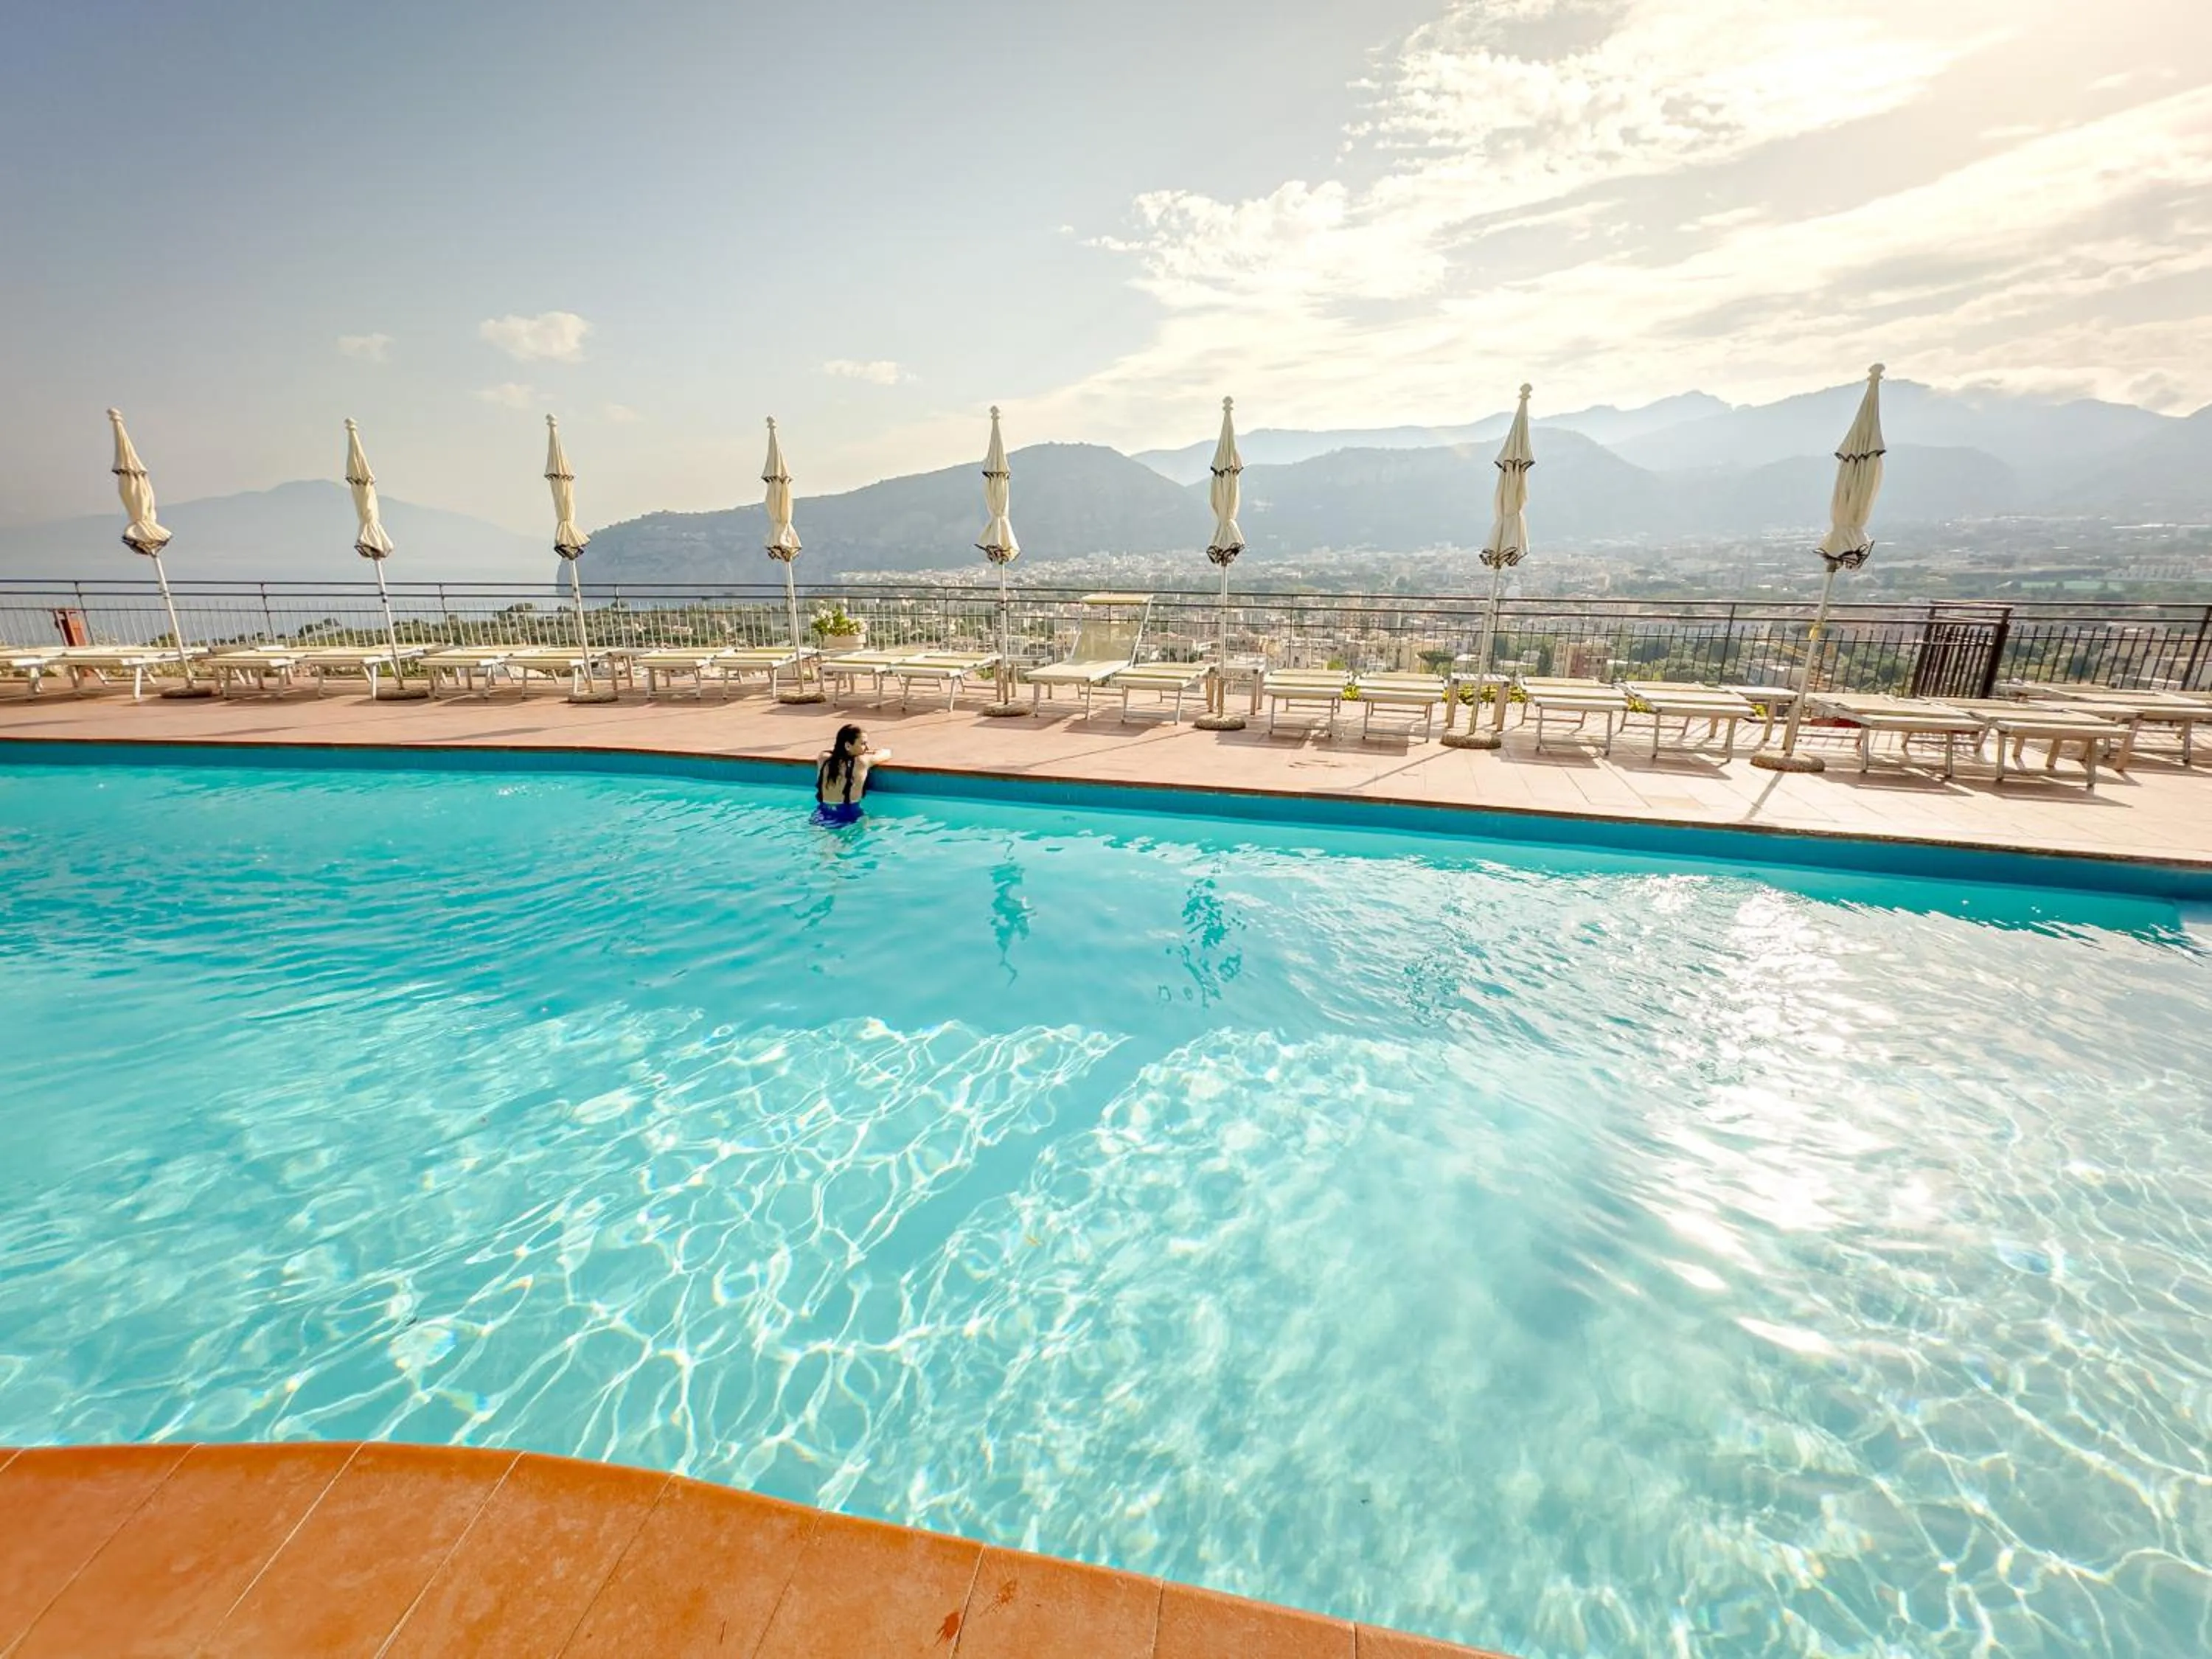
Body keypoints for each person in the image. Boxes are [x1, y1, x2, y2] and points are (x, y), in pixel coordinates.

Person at [813, 723, 886, 824]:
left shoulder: (823, 758)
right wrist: (874, 752)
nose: (867, 748)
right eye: (863, 744)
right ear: (847, 745)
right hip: (849, 814)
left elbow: (834, 750)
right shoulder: (861, 762)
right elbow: (886, 753)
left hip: (823, 812)